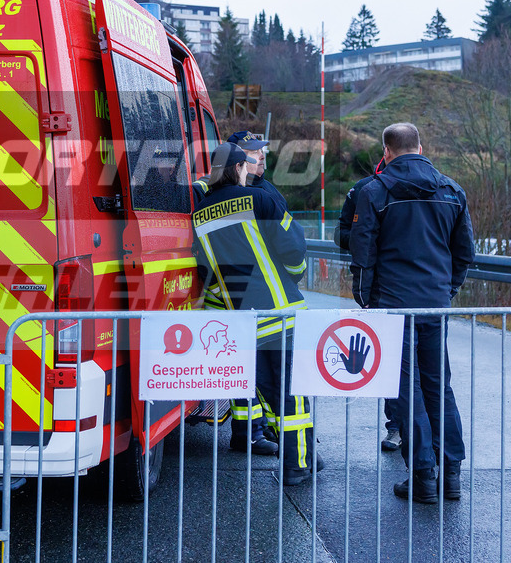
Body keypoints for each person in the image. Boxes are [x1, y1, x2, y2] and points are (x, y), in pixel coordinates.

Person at [349, 123, 474, 503]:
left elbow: (363, 253)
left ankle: (423, 476)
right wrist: (446, 291)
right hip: (435, 304)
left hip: (393, 305)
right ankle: (450, 475)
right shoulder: (452, 190)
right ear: (421, 146)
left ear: (386, 152)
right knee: (439, 385)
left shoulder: (374, 191)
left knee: (406, 388)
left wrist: (364, 298)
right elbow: (464, 252)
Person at [193, 143, 319, 484]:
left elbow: (204, 269)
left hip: (243, 319)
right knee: (293, 390)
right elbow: (293, 246)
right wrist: (293, 274)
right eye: (246, 167)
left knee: (269, 391)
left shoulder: (199, 215)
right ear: (237, 169)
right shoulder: (260, 199)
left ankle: (305, 454)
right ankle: (298, 464)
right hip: (282, 311)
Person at [335, 158, 402, 453]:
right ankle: (397, 426)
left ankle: (425, 433)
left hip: (419, 292)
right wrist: (368, 240)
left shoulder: (435, 188)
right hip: (382, 289)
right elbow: (342, 234)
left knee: (427, 368)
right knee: (394, 362)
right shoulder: (364, 189)